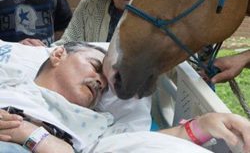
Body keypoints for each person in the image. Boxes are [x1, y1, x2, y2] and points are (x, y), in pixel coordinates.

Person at [0, 43, 250, 152]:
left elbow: (138, 144)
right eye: (95, 66)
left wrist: (202, 125)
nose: (100, 82)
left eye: (105, 89)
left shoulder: (95, 123)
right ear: (58, 55)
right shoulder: (10, 81)